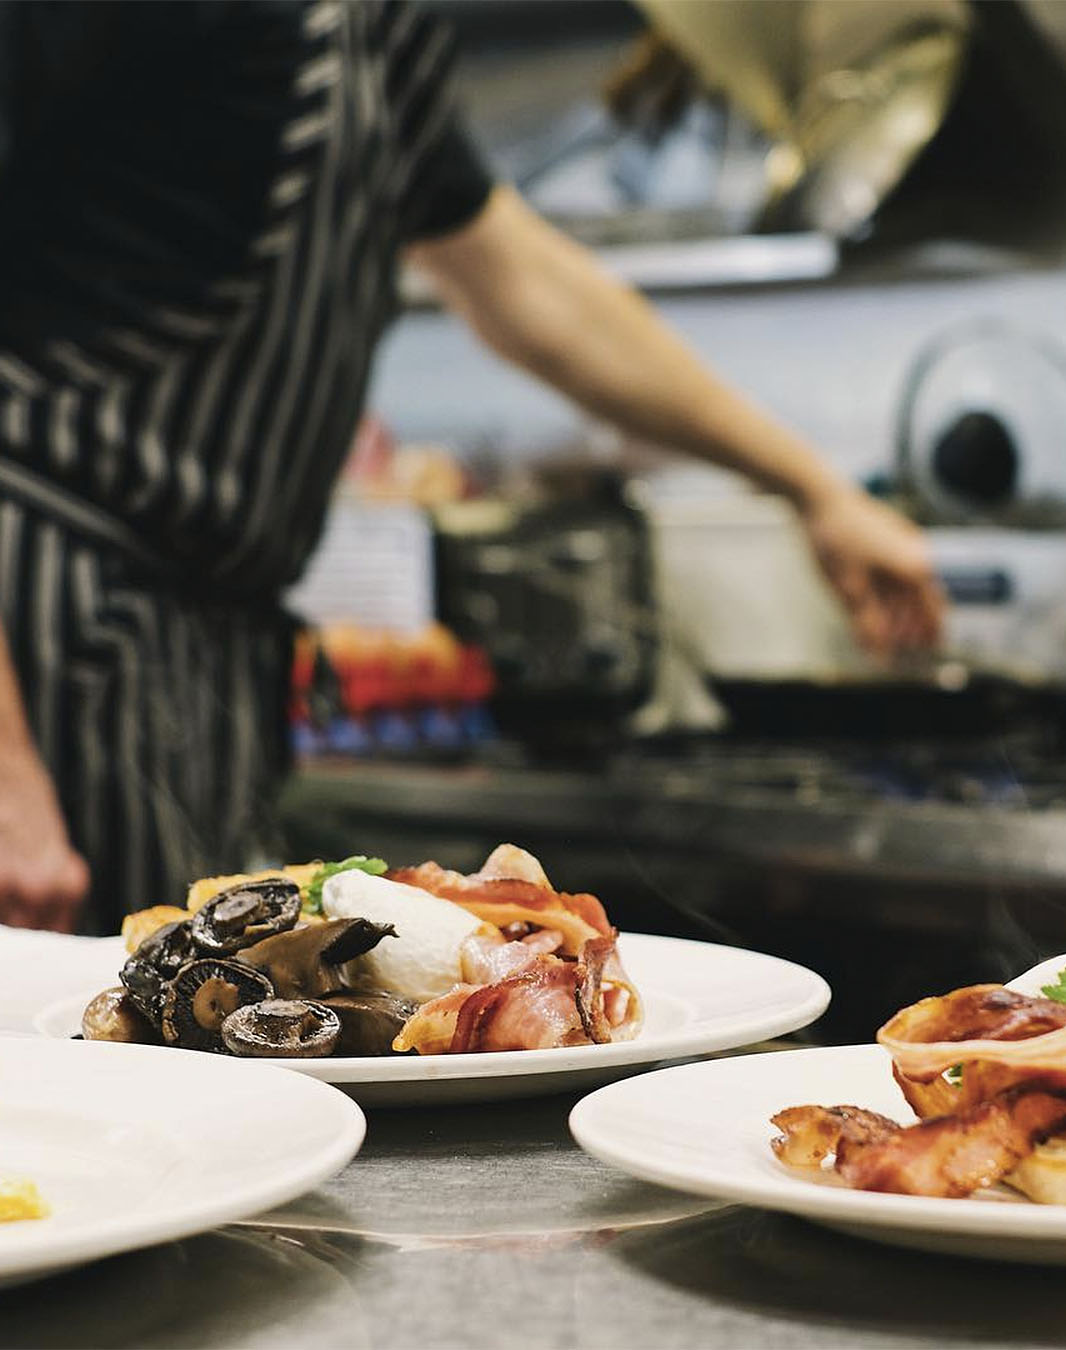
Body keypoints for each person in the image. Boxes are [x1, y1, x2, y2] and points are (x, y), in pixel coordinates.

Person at [0, 0, 943, 936]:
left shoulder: (374, 31)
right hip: (42, 627)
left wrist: (811, 488)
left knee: (209, 1058)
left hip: (200, 660)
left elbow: (526, 284)